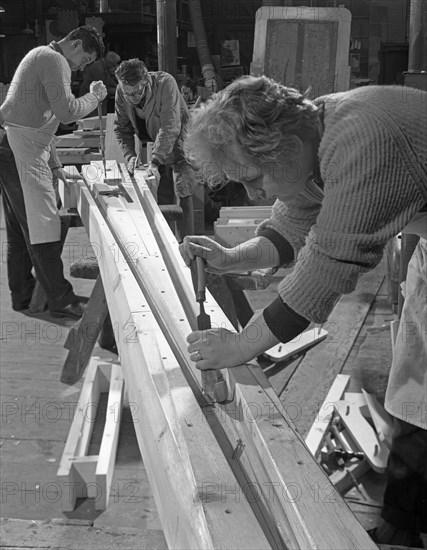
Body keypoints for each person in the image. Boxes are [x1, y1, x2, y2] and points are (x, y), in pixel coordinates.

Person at [179, 76, 427, 547]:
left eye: (252, 179)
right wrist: (234, 259)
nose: (253, 195)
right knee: (415, 389)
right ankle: (403, 526)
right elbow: (296, 218)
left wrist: (240, 345)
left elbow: (327, 265)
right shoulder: (317, 134)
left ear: (285, 145)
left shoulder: (363, 140)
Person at [0, 25, 107, 319]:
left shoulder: (44, 57)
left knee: (22, 230)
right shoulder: (53, 60)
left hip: (19, 145)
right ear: (74, 43)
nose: (83, 66)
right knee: (44, 222)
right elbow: (67, 112)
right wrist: (94, 97)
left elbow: (41, 121)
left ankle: (22, 294)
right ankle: (62, 299)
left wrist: (55, 164)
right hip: (20, 148)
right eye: (85, 58)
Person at [113, 58, 197, 240]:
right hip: (157, 140)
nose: (132, 98)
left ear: (146, 81)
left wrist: (155, 160)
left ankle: (188, 245)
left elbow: (170, 127)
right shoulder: (122, 91)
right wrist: (129, 156)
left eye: (137, 93)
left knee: (183, 189)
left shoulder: (165, 83)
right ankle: (167, 243)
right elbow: (121, 128)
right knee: (160, 188)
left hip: (182, 141)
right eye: (128, 94)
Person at [79, 50, 121, 115]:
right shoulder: (98, 67)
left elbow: (109, 81)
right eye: (114, 65)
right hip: (89, 98)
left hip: (98, 100)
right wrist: (117, 91)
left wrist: (118, 86)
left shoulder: (105, 66)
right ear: (110, 63)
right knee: (93, 121)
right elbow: (101, 88)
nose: (115, 67)